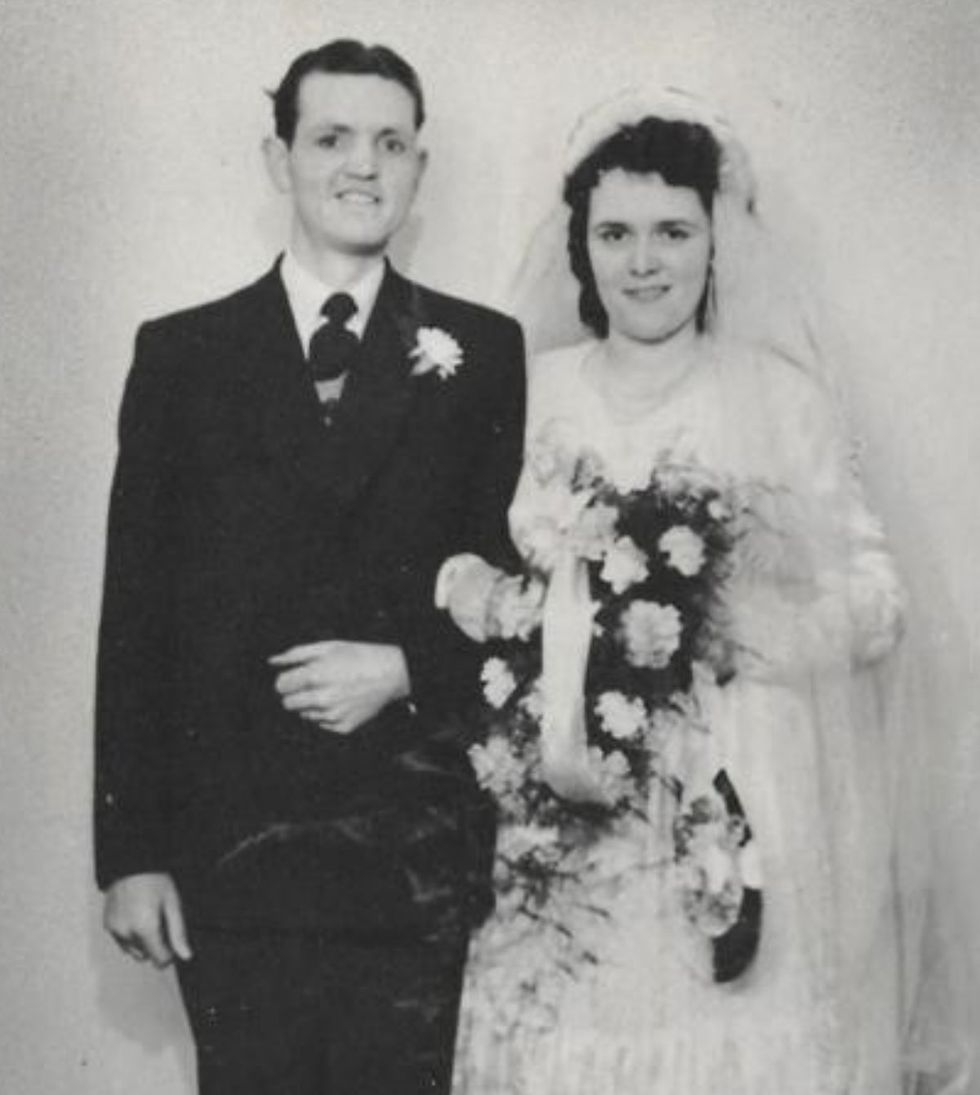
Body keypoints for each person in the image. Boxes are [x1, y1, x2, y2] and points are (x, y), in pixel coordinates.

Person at [440, 89, 969, 1094]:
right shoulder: (527, 388)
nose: (642, 262)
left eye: (671, 232)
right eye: (616, 233)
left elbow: (876, 597)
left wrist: (738, 631)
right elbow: (464, 566)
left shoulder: (779, 397)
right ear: (581, 247)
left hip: (738, 788)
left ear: (714, 241)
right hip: (568, 799)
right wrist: (507, 611)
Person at [94, 39, 525, 1095]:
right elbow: (135, 615)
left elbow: (517, 594)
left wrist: (407, 667)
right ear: (276, 157)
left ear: (419, 168)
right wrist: (131, 852)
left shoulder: (482, 352)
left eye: (390, 143)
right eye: (330, 137)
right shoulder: (182, 355)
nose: (361, 166)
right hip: (232, 848)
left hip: (409, 849)